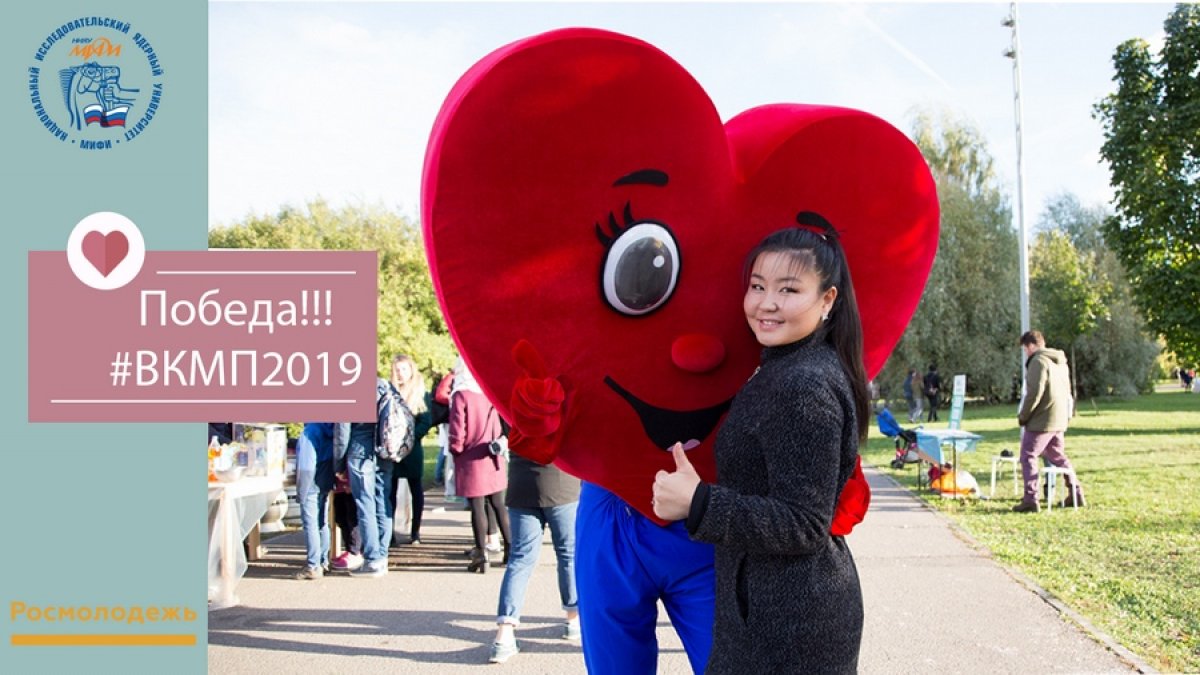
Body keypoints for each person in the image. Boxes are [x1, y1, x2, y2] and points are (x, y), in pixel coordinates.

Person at [652, 225, 866, 672]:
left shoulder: (803, 385)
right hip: (771, 614)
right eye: (757, 286)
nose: (766, 303)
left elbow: (805, 522)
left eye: (788, 289)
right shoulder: (787, 368)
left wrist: (699, 502)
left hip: (791, 628)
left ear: (827, 301)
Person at [488, 454, 582, 663]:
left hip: (522, 484)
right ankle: (572, 619)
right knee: (567, 554)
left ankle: (504, 633)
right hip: (562, 484)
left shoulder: (513, 418)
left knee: (520, 559)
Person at [448, 358, 511, 573]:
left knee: (477, 507)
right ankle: (510, 549)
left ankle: (481, 554)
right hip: (492, 454)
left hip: (471, 456)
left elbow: (458, 430)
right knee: (498, 504)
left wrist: (455, 449)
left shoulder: (461, 394)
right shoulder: (487, 390)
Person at [1014, 331, 1085, 512]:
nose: (1025, 353)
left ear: (1031, 346)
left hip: (1042, 420)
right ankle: (1076, 492)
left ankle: (1031, 498)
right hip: (1059, 419)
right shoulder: (1060, 362)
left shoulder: (1038, 362)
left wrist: (1024, 416)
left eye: (1025, 349)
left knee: (1028, 455)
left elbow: (1034, 393)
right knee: (1058, 456)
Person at [333, 377, 395, 577]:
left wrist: (339, 464)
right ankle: (382, 556)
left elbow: (342, 430)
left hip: (360, 450)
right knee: (382, 502)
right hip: (385, 449)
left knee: (365, 505)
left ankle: (372, 559)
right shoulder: (386, 385)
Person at [389, 354, 434, 546]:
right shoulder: (389, 393)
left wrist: (410, 438)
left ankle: (415, 531)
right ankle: (389, 533)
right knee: (389, 490)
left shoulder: (421, 393)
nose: (400, 373)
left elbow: (426, 421)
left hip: (412, 448)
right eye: (397, 370)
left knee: (416, 488)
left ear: (411, 371)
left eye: (404, 369)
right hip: (392, 448)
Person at [294, 422, 335, 580]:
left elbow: (306, 464)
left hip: (311, 480)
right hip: (325, 477)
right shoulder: (329, 428)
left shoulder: (309, 432)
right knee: (322, 522)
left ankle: (313, 565)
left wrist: (301, 490)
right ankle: (323, 561)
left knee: (310, 523)